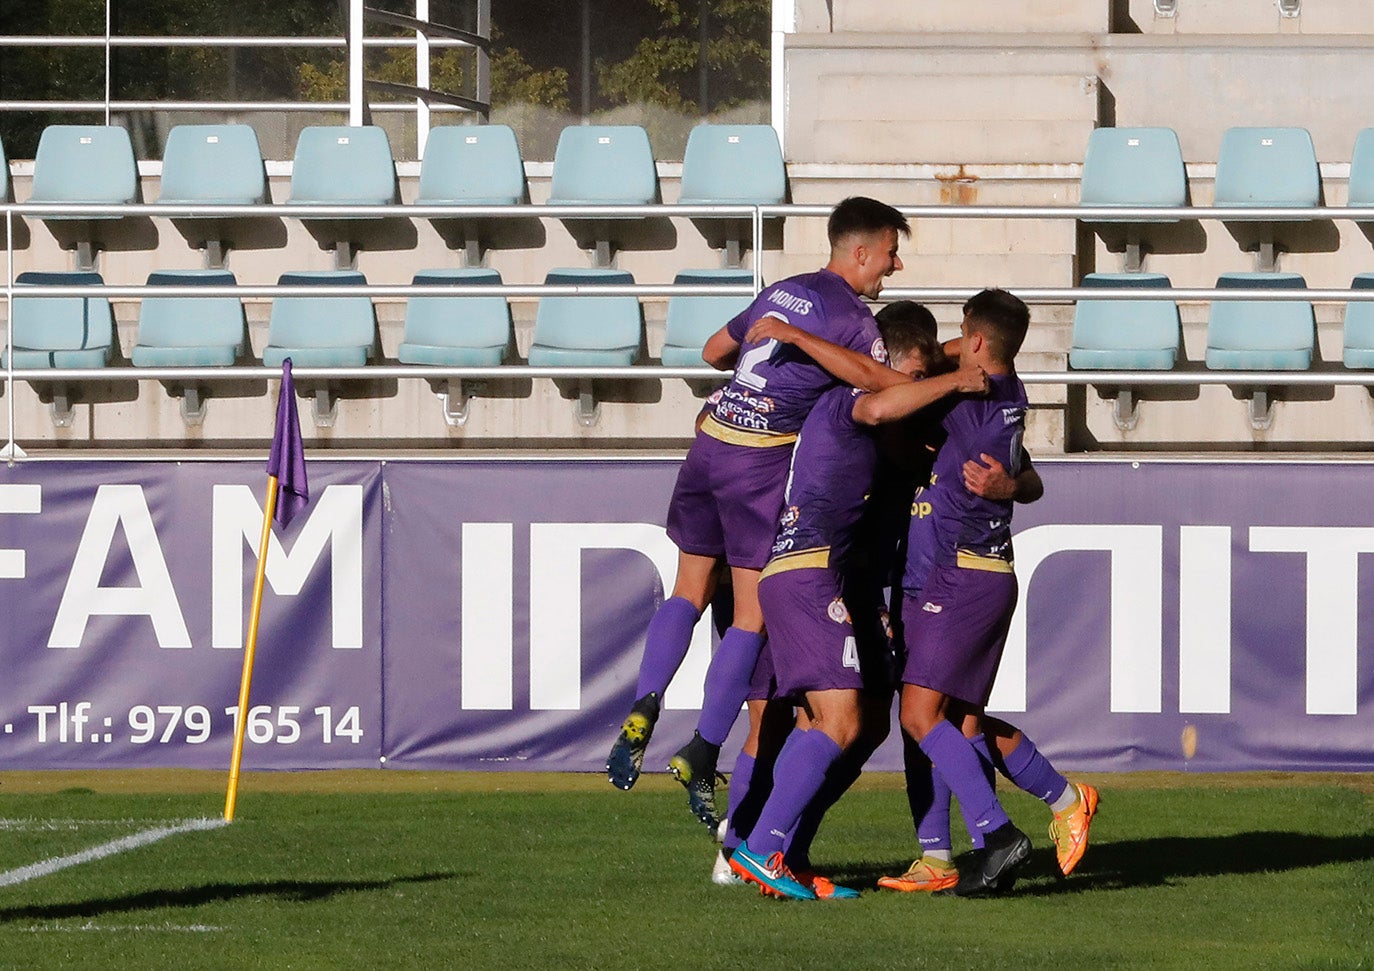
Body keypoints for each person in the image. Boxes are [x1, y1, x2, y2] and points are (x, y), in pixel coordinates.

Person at [606, 197, 915, 833]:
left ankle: (644, 703)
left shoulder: (783, 289)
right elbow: (883, 385)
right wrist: (812, 355)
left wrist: (766, 362)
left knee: (688, 589)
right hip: (757, 462)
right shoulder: (856, 320)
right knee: (748, 614)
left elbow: (714, 351)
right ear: (860, 252)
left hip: (711, 442)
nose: (895, 266)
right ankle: (701, 746)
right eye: (889, 253)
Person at [725, 305, 988, 899]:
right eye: (910, 377)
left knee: (861, 724)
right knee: (835, 721)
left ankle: (782, 853)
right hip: (809, 573)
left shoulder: (860, 416)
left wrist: (965, 353)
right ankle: (760, 847)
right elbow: (879, 398)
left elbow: (910, 372)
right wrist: (949, 382)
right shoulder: (850, 398)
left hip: (827, 578)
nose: (913, 391)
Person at [895, 287, 1043, 897]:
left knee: (918, 714)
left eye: (963, 333)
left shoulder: (973, 397)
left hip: (961, 569)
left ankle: (1000, 832)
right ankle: (973, 855)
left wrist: (916, 358)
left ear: (977, 343)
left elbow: (918, 376)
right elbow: (959, 354)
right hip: (983, 569)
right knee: (957, 722)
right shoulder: (1012, 389)